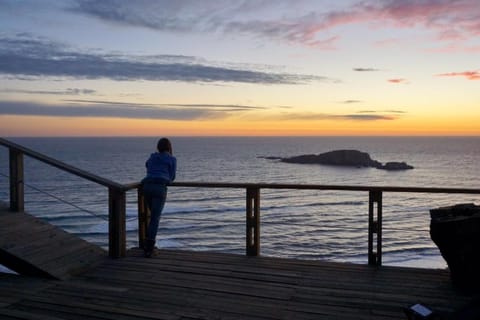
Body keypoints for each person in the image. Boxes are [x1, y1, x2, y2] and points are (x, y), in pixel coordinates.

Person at [141, 138, 176, 257]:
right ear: (169, 147)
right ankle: (149, 249)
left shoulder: (152, 157)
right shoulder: (172, 159)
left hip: (146, 187)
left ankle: (147, 245)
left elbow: (146, 165)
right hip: (159, 188)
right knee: (155, 219)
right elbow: (172, 177)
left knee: (151, 217)